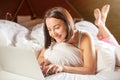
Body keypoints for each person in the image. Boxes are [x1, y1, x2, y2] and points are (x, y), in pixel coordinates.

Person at [37, 4, 119, 76]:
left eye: (57, 28)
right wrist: (43, 63)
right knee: (101, 37)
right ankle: (101, 23)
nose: (53, 33)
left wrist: (62, 68)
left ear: (67, 23)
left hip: (94, 41)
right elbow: (40, 57)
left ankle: (101, 24)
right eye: (49, 29)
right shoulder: (53, 37)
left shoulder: (85, 38)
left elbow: (90, 70)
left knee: (110, 44)